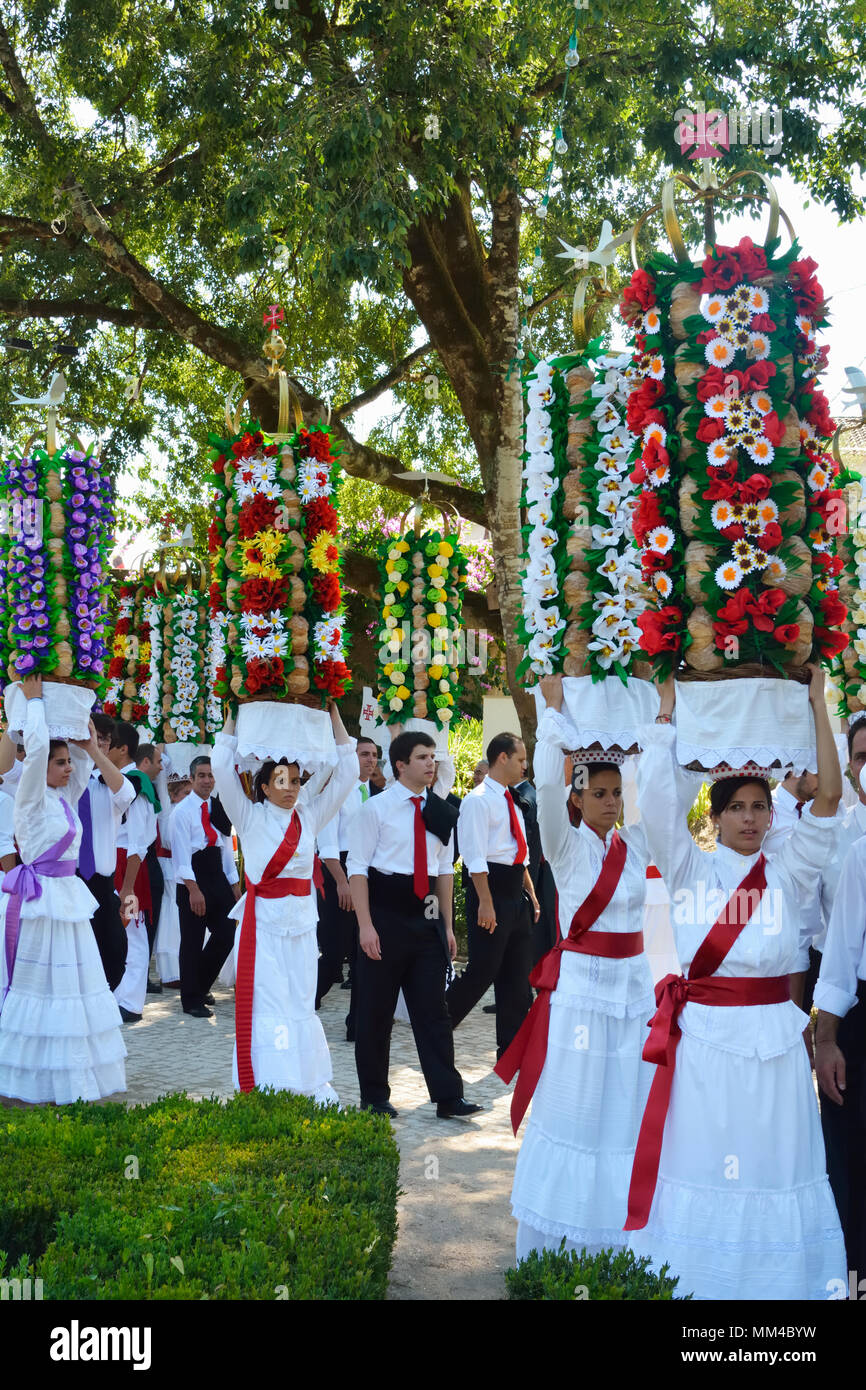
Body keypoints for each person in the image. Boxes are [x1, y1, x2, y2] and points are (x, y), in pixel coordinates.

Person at [624, 666, 846, 1301]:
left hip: (776, 1047)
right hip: (707, 1049)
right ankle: (703, 1292)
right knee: (711, 1168)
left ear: (772, 813)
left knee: (779, 1171)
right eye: (737, 809)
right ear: (716, 817)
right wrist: (666, 711)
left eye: (759, 808)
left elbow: (828, 797)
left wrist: (817, 703)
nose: (749, 819)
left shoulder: (792, 869)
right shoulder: (690, 869)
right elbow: (660, 798)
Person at [496, 674, 655, 1260]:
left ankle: (621, 1245)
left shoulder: (637, 845)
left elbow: (668, 790)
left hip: (633, 994)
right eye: (600, 793)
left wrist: (662, 712)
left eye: (618, 793)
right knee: (577, 1110)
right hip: (582, 995)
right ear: (577, 799)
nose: (612, 802)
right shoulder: (562, 845)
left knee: (624, 1114)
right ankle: (557, 1250)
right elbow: (542, 773)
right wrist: (554, 711)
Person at [212, 704, 358, 1101]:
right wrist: (233, 715)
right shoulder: (248, 816)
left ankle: (305, 1082)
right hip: (262, 928)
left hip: (302, 926)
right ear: (263, 786)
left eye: (296, 780)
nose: (291, 787)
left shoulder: (309, 815)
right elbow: (222, 767)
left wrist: (334, 716)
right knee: (271, 1006)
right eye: (282, 780)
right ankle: (270, 1084)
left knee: (299, 1004)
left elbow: (349, 773)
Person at [0, 677, 126, 1103]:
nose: (67, 768)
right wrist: (34, 704)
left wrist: (87, 746)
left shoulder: (63, 800)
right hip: (40, 902)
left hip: (66, 899)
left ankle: (71, 1074)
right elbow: (34, 751)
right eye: (60, 763)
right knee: (41, 988)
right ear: (43, 769)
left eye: (66, 762)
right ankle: (32, 1079)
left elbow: (83, 768)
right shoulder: (30, 797)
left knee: (71, 989)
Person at [347, 729, 480, 1119]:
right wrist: (365, 926)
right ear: (401, 764)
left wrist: (447, 927)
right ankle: (374, 1097)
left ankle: (448, 1096)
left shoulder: (440, 809)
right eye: (422, 757)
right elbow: (358, 869)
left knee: (433, 1011)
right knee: (375, 1011)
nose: (430, 763)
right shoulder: (376, 809)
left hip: (425, 916)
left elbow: (443, 869)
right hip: (385, 912)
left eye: (433, 757)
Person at [445, 732, 540, 1058]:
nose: (525, 766)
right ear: (503, 758)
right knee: (482, 970)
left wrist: (530, 893)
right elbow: (474, 858)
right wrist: (485, 902)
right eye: (521, 759)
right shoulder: (478, 799)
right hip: (490, 891)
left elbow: (519, 853)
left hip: (515, 891)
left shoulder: (511, 798)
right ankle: (438, 1023)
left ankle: (512, 1050)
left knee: (517, 975)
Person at [812, 717, 866, 1286]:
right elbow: (840, 952)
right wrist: (825, 1037)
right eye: (860, 755)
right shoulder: (855, 851)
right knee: (851, 1159)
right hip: (859, 1017)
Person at [172, 754, 240, 1018]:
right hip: (192, 876)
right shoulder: (182, 812)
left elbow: (225, 847)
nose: (207, 780)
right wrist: (193, 889)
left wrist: (233, 882)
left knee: (226, 933)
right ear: (191, 778)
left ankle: (199, 984)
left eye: (210, 775)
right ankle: (191, 999)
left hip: (216, 874)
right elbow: (180, 857)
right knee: (192, 940)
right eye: (201, 775)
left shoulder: (218, 807)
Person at [74, 711, 136, 991]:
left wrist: (93, 751)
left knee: (114, 957)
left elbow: (126, 795)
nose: (96, 742)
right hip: (71, 882)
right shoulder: (63, 782)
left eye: (104, 740)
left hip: (101, 884)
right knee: (75, 960)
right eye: (91, 736)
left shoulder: (108, 785)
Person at [315, 734, 379, 1007]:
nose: (371, 760)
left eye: (374, 754)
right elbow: (327, 844)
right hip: (339, 872)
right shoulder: (337, 793)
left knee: (363, 955)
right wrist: (342, 883)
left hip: (368, 872)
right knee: (333, 953)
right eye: (364, 754)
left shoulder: (377, 794)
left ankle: (357, 1023)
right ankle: (305, 1002)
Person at [153, 775, 191, 988]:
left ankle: (186, 967)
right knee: (172, 914)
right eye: (185, 793)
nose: (189, 797)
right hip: (169, 866)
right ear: (173, 795)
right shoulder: (169, 813)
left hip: (184, 866)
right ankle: (170, 971)